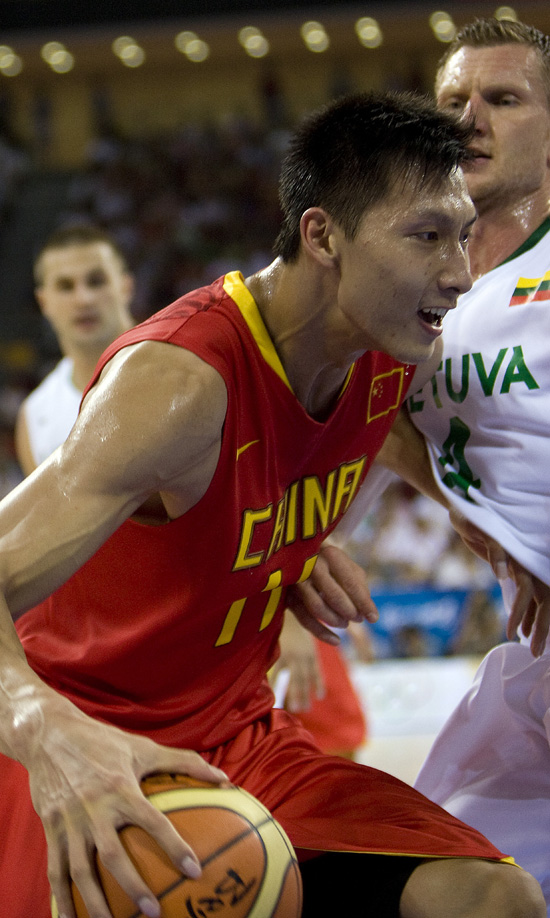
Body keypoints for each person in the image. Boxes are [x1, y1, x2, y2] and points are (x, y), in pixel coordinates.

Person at [0, 92, 544, 918]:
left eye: (464, 235)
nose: (461, 271)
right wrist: (46, 730)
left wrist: (504, 548)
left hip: (241, 735)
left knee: (489, 898)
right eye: (427, 235)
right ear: (323, 235)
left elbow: (384, 451)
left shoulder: (392, 356)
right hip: (84, 736)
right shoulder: (179, 385)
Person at [368, 17, 550, 913]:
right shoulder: (406, 287)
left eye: (504, 100)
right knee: (452, 883)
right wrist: (474, 519)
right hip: (531, 659)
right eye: (452, 102)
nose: (469, 119)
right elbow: (373, 415)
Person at [14, 223, 135, 475]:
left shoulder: (180, 365)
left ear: (126, 287)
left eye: (96, 281)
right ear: (43, 301)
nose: (84, 299)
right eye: (66, 286)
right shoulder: (36, 415)